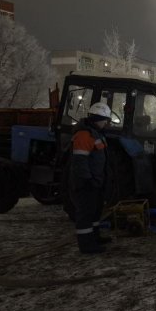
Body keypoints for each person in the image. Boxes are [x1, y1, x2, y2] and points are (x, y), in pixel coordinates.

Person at [69, 102, 113, 254]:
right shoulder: (84, 135)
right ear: (96, 119)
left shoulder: (97, 134)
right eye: (104, 120)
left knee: (95, 212)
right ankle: (86, 245)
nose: (106, 123)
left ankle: (94, 238)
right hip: (86, 183)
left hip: (96, 181)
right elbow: (80, 162)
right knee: (85, 214)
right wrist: (87, 181)